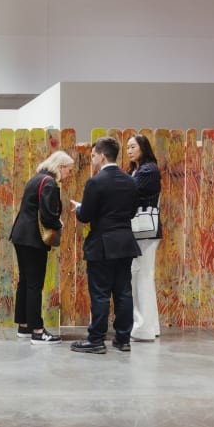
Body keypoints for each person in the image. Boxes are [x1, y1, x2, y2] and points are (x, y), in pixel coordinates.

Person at [70, 137, 141, 354]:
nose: (91, 160)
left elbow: (87, 215)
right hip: (125, 243)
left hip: (102, 245)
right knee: (124, 292)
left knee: (100, 293)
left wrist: (80, 208)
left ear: (101, 156)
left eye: (92, 156)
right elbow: (132, 212)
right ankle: (123, 339)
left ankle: (97, 339)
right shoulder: (130, 181)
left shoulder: (95, 182)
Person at [9, 150, 74, 344]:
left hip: (21, 236)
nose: (69, 174)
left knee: (26, 282)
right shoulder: (50, 183)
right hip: (33, 239)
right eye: (69, 170)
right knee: (35, 284)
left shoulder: (36, 179)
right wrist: (59, 224)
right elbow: (47, 215)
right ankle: (37, 330)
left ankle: (24, 326)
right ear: (61, 167)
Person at [126, 134, 162, 342]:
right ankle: (149, 325)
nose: (129, 150)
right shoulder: (138, 170)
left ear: (143, 148)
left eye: (133, 146)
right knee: (142, 276)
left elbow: (131, 192)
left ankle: (142, 329)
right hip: (142, 230)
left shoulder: (148, 170)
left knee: (141, 277)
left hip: (144, 230)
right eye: (128, 147)